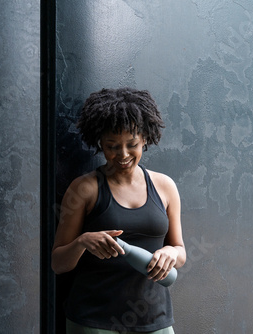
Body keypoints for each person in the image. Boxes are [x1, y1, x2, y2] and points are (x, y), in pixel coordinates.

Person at [52, 87, 186, 334]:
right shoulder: (84, 188)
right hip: (93, 320)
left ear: (145, 138)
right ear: (100, 143)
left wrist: (170, 253)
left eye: (131, 144)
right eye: (112, 146)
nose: (122, 155)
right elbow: (58, 263)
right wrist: (83, 242)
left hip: (155, 317)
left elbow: (180, 250)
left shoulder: (165, 186)